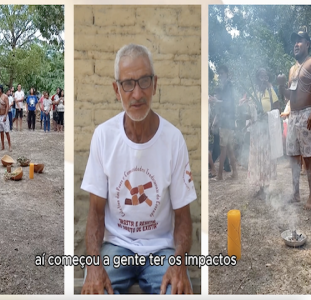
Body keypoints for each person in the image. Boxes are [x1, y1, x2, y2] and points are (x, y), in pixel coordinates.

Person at [80, 44, 197, 295]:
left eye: (144, 81)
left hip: (160, 250)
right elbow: (96, 212)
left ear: (155, 84)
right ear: (116, 89)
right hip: (116, 247)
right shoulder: (103, 137)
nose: (137, 94)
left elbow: (183, 217)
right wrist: (92, 264)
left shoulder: (173, 140)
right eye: (128, 84)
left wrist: (179, 263)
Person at [278, 30, 311, 209]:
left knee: (309, 156)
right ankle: (296, 194)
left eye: (300, 41)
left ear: (308, 44)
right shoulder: (292, 69)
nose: (296, 44)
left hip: (307, 113)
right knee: (293, 156)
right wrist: (281, 85)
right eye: (294, 42)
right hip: (293, 116)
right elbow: (289, 95)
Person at [246, 68, 280, 200]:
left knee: (266, 158)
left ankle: (265, 187)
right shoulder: (253, 92)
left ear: (268, 78)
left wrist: (266, 115)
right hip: (256, 131)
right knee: (257, 158)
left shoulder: (271, 92)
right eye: (261, 75)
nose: (263, 78)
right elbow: (249, 112)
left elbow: (277, 109)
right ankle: (260, 186)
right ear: (257, 77)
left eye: (266, 76)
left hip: (267, 130)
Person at [209, 65, 237, 180]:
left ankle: (219, 175)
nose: (220, 76)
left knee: (223, 148)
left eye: (222, 73)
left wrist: (216, 100)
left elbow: (228, 103)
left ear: (227, 73)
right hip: (229, 120)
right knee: (229, 148)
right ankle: (235, 173)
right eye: (219, 74)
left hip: (226, 121)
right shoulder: (227, 86)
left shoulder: (228, 86)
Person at [0, 85, 12, 151]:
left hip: (4, 116)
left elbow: (7, 106)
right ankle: (2, 145)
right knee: (1, 132)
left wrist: (5, 115)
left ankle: (10, 146)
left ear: (0, 90)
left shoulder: (5, 96)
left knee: (7, 132)